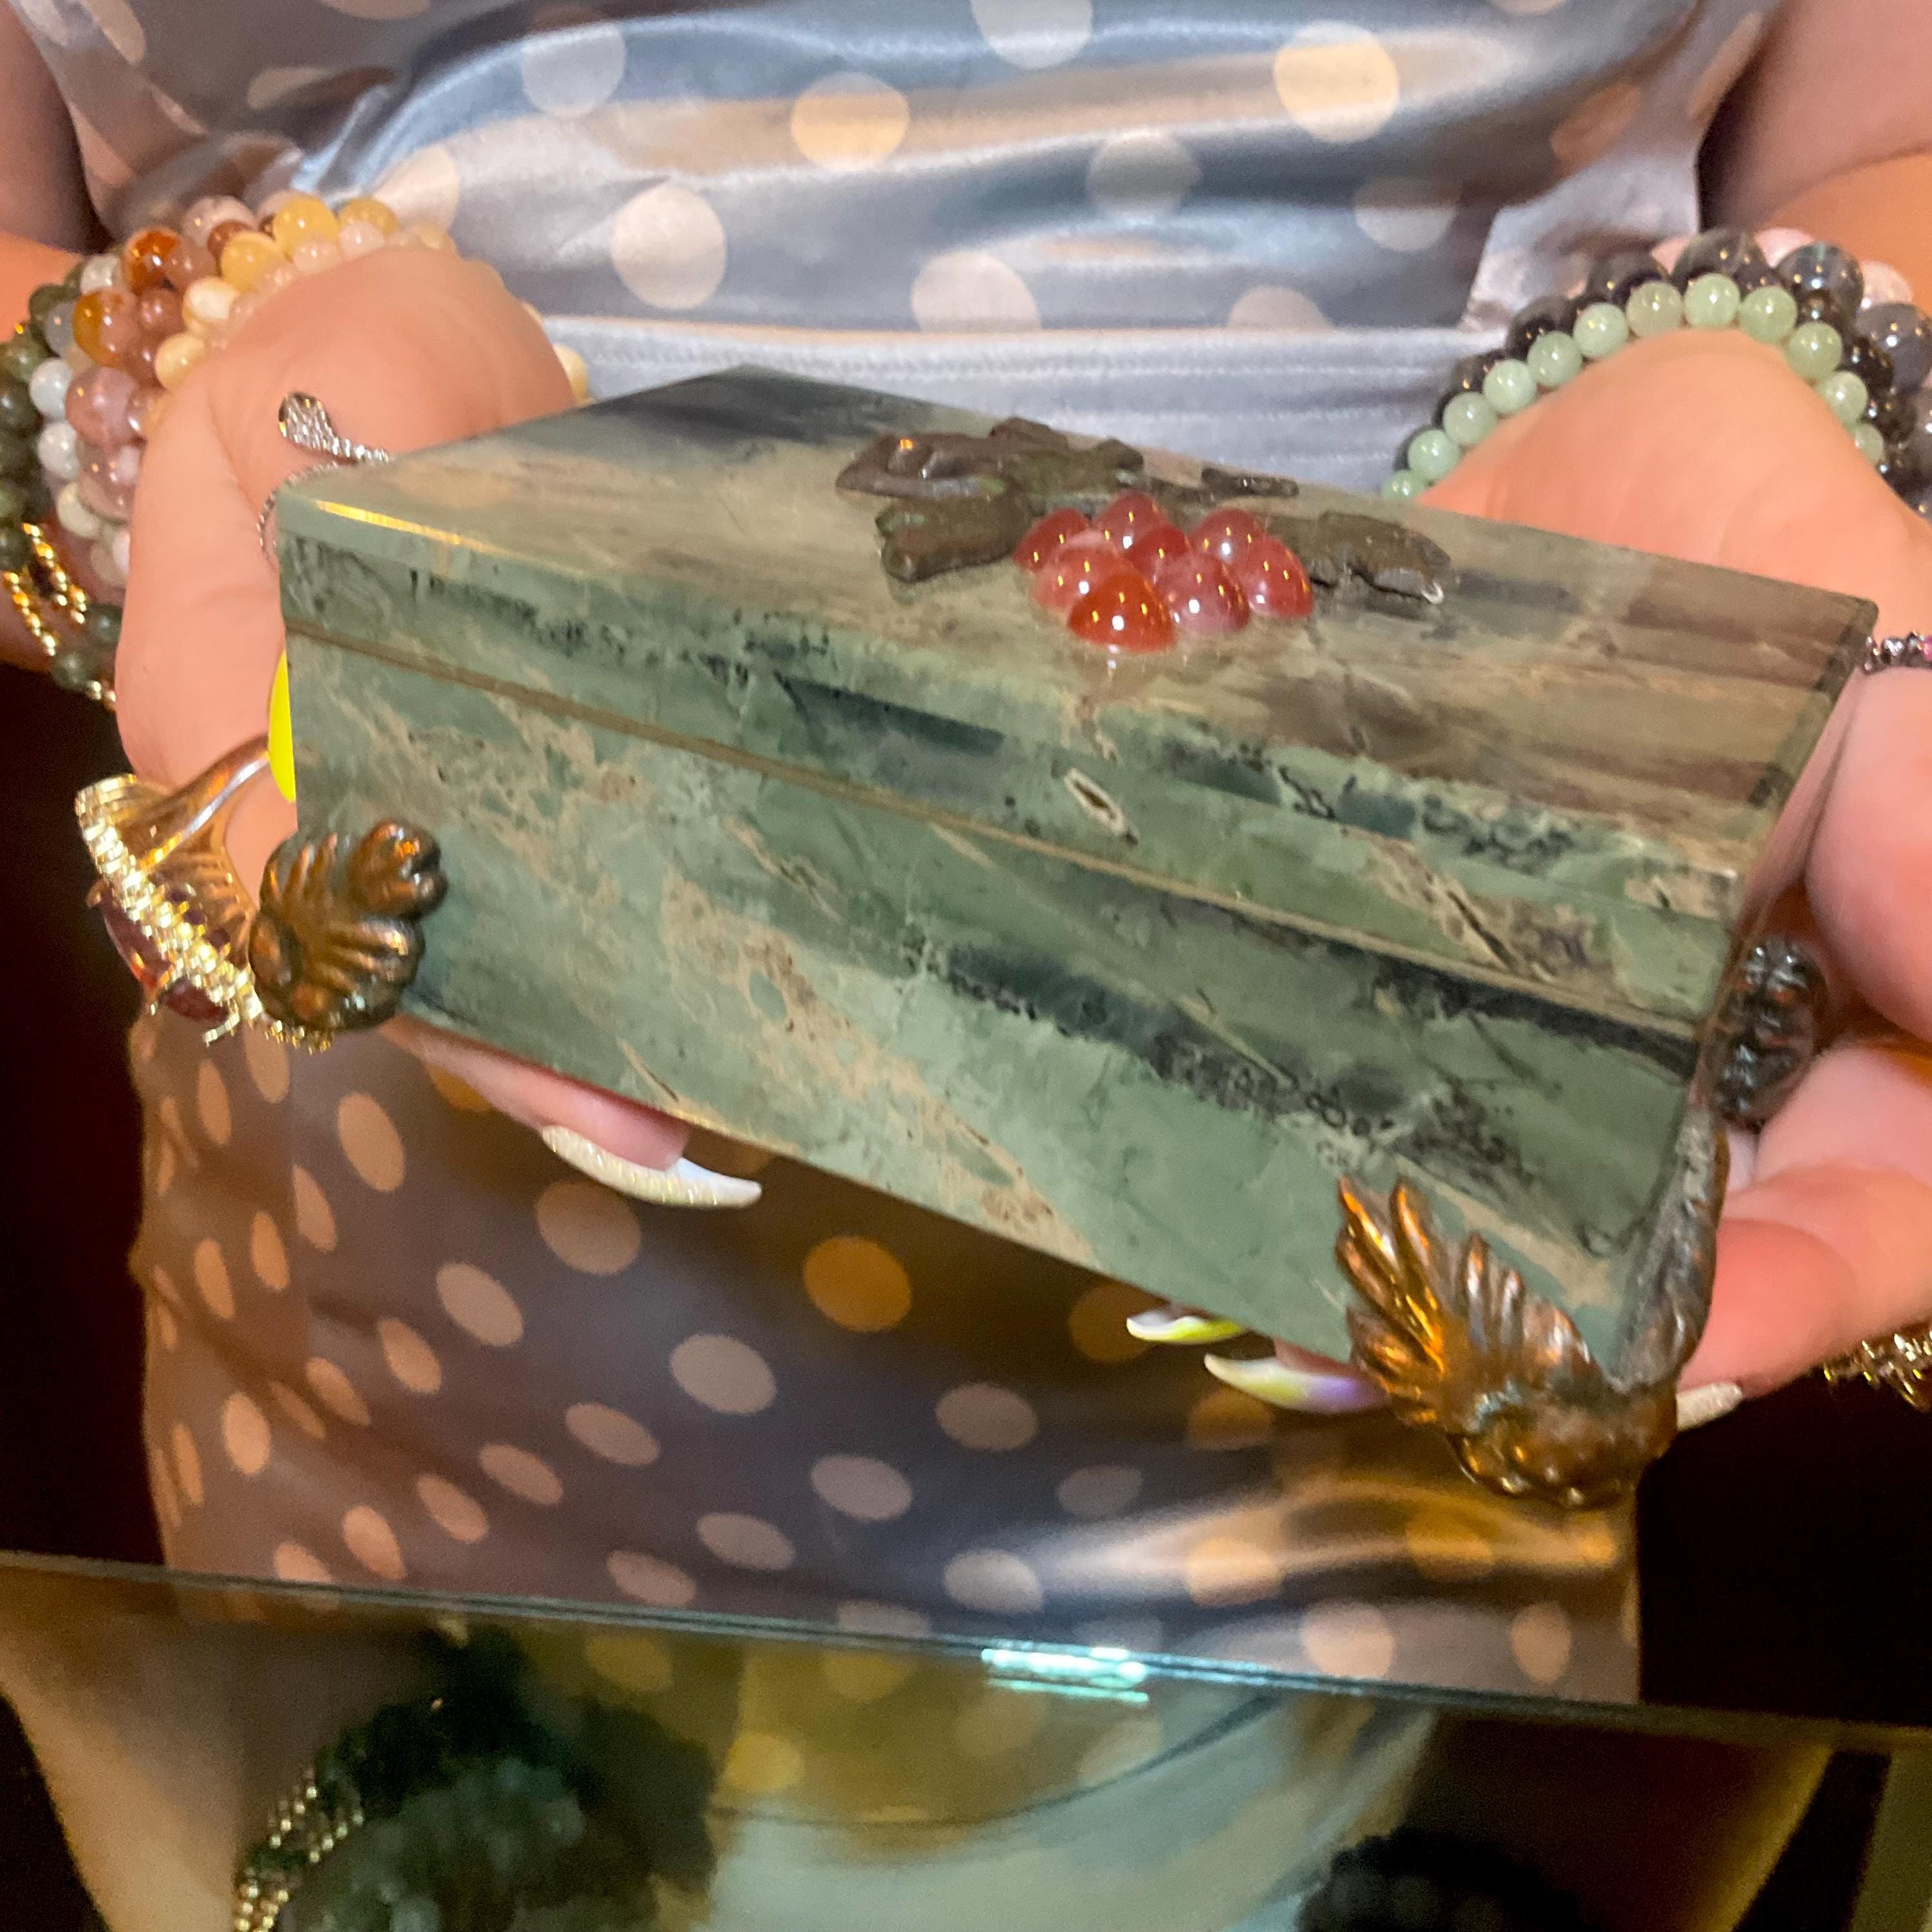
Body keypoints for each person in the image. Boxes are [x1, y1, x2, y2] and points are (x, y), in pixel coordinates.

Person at [1, 0, 1927, 1705]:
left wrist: (1777, 399)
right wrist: (174, 414)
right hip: (380, 1456)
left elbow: (1881, 146)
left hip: (1405, 1531)